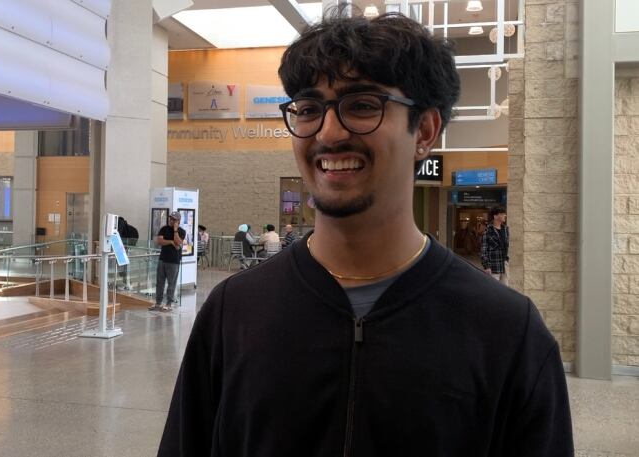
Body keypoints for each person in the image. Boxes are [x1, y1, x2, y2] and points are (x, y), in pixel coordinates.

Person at [158, 11, 572, 456]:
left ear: (425, 131)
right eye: (310, 109)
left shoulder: (506, 332)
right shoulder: (233, 313)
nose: (329, 133)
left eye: (361, 106)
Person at [151, 211, 185, 312]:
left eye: (173, 219)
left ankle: (169, 303)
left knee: (171, 283)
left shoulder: (182, 231)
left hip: (174, 261)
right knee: (159, 282)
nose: (171, 220)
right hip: (162, 259)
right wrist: (170, 241)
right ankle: (158, 303)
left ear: (178, 221)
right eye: (170, 218)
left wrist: (175, 231)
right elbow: (159, 241)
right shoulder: (164, 229)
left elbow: (178, 243)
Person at [481, 206, 510, 285]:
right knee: (494, 289)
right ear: (495, 216)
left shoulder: (506, 229)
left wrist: (507, 260)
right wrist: (486, 266)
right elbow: (483, 250)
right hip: (493, 265)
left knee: (505, 289)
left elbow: (508, 246)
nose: (505, 215)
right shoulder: (488, 231)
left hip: (504, 265)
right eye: (502, 214)